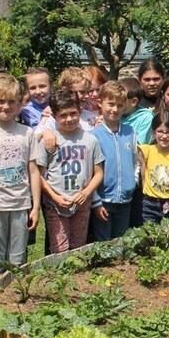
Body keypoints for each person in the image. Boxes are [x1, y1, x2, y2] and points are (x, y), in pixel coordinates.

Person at [0, 74, 41, 288]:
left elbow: (33, 171)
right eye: (1, 101)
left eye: (11, 102)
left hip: (21, 204)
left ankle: (15, 305)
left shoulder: (27, 133)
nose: (6, 106)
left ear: (20, 103)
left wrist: (35, 207)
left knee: (18, 260)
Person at [34, 90, 104, 252]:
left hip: (81, 203)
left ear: (80, 110)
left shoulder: (90, 140)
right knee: (60, 248)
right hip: (56, 203)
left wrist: (86, 193)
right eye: (63, 115)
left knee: (78, 247)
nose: (69, 119)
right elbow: (38, 174)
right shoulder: (50, 141)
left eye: (73, 113)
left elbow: (99, 172)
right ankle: (58, 277)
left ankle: (77, 277)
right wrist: (54, 196)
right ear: (55, 117)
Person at [90, 81, 138, 241]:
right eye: (110, 104)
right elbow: (90, 171)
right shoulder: (94, 135)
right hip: (104, 199)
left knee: (121, 241)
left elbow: (135, 161)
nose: (115, 109)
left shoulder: (130, 132)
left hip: (125, 199)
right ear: (100, 103)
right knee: (103, 241)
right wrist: (95, 200)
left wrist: (134, 181)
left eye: (119, 105)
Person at [138, 112, 169, 222]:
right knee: (150, 234)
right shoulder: (146, 151)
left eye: (168, 132)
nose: (164, 136)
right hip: (150, 202)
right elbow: (143, 175)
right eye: (160, 131)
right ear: (153, 132)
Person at [120, 77, 153, 145]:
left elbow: (139, 146)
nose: (117, 102)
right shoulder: (116, 115)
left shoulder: (146, 118)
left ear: (133, 102)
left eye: (121, 99)